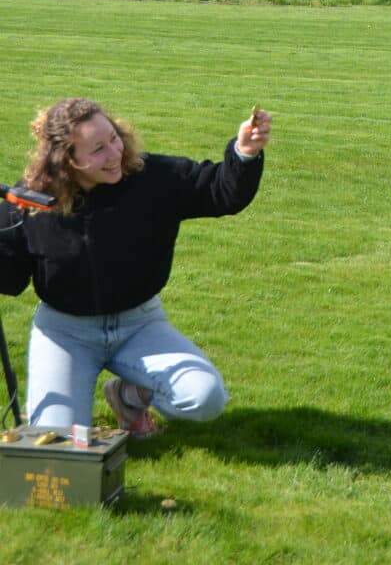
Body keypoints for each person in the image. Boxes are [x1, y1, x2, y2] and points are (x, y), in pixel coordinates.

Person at [0, 98, 271, 439]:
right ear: (67, 160)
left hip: (139, 325)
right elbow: (11, 279)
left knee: (205, 398)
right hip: (64, 333)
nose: (114, 154)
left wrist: (244, 152)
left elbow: (220, 191)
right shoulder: (31, 201)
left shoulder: (153, 177)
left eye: (114, 138)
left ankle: (127, 396)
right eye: (98, 149)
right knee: (55, 439)